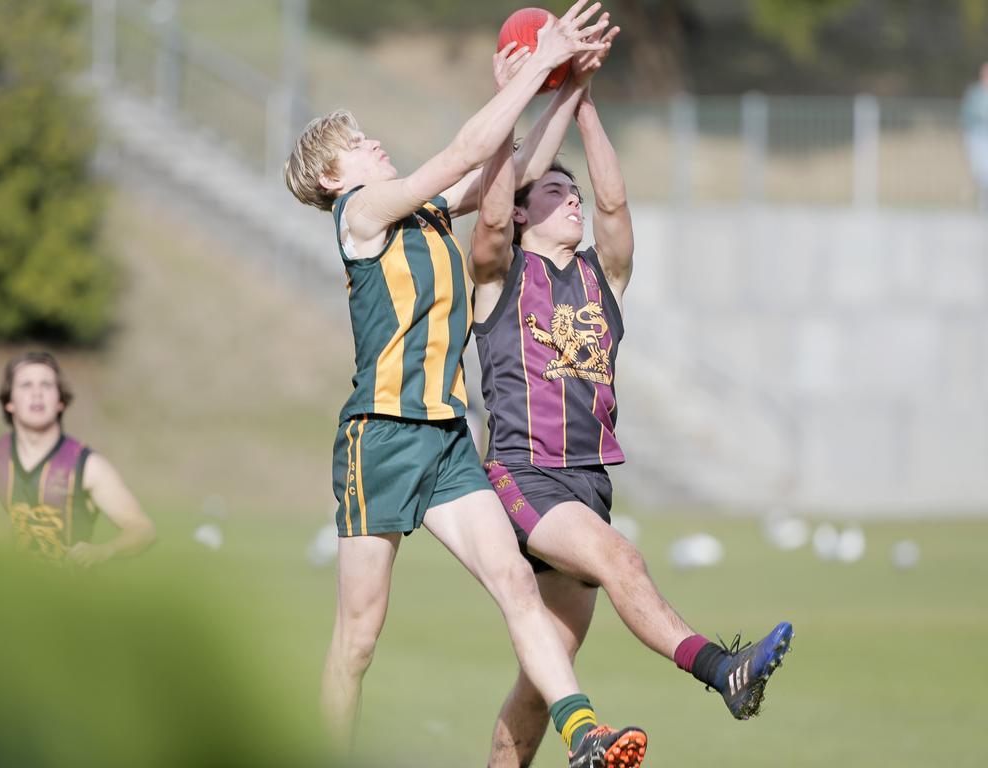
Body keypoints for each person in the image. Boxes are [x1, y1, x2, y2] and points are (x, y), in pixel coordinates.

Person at [283, 4, 648, 767]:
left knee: (516, 579)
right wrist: (523, 73)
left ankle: (583, 733)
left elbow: (506, 173)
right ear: (331, 176)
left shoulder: (424, 217)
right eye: (356, 145)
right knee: (358, 639)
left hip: (447, 437)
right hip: (378, 438)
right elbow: (459, 154)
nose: (373, 144)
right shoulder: (363, 215)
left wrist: (558, 88)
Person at [468, 28, 794, 768]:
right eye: (554, 192)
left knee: (539, 679)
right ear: (522, 214)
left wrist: (581, 96)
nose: (573, 200)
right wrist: (517, 96)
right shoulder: (499, 278)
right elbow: (487, 217)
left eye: (572, 191)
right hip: (523, 475)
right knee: (623, 561)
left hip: (588, 480)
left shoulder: (600, 280)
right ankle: (724, 671)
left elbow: (614, 206)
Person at [0, 351, 156, 566]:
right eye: (26, 385)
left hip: (64, 592)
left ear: (61, 401)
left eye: (46, 385)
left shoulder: (88, 465)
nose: (37, 394)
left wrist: (105, 550)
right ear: (9, 402)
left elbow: (143, 530)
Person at [962, 62, 988, 210]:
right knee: (980, 170)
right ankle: (982, 202)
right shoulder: (975, 94)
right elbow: (968, 114)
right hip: (978, 136)